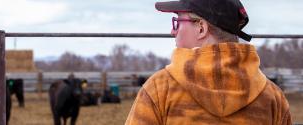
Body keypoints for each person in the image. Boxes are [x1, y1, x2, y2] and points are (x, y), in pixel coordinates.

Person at [125, 0, 292, 124]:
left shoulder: (159, 90)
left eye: (177, 22)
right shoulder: (272, 98)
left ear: (201, 28)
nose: (172, 31)